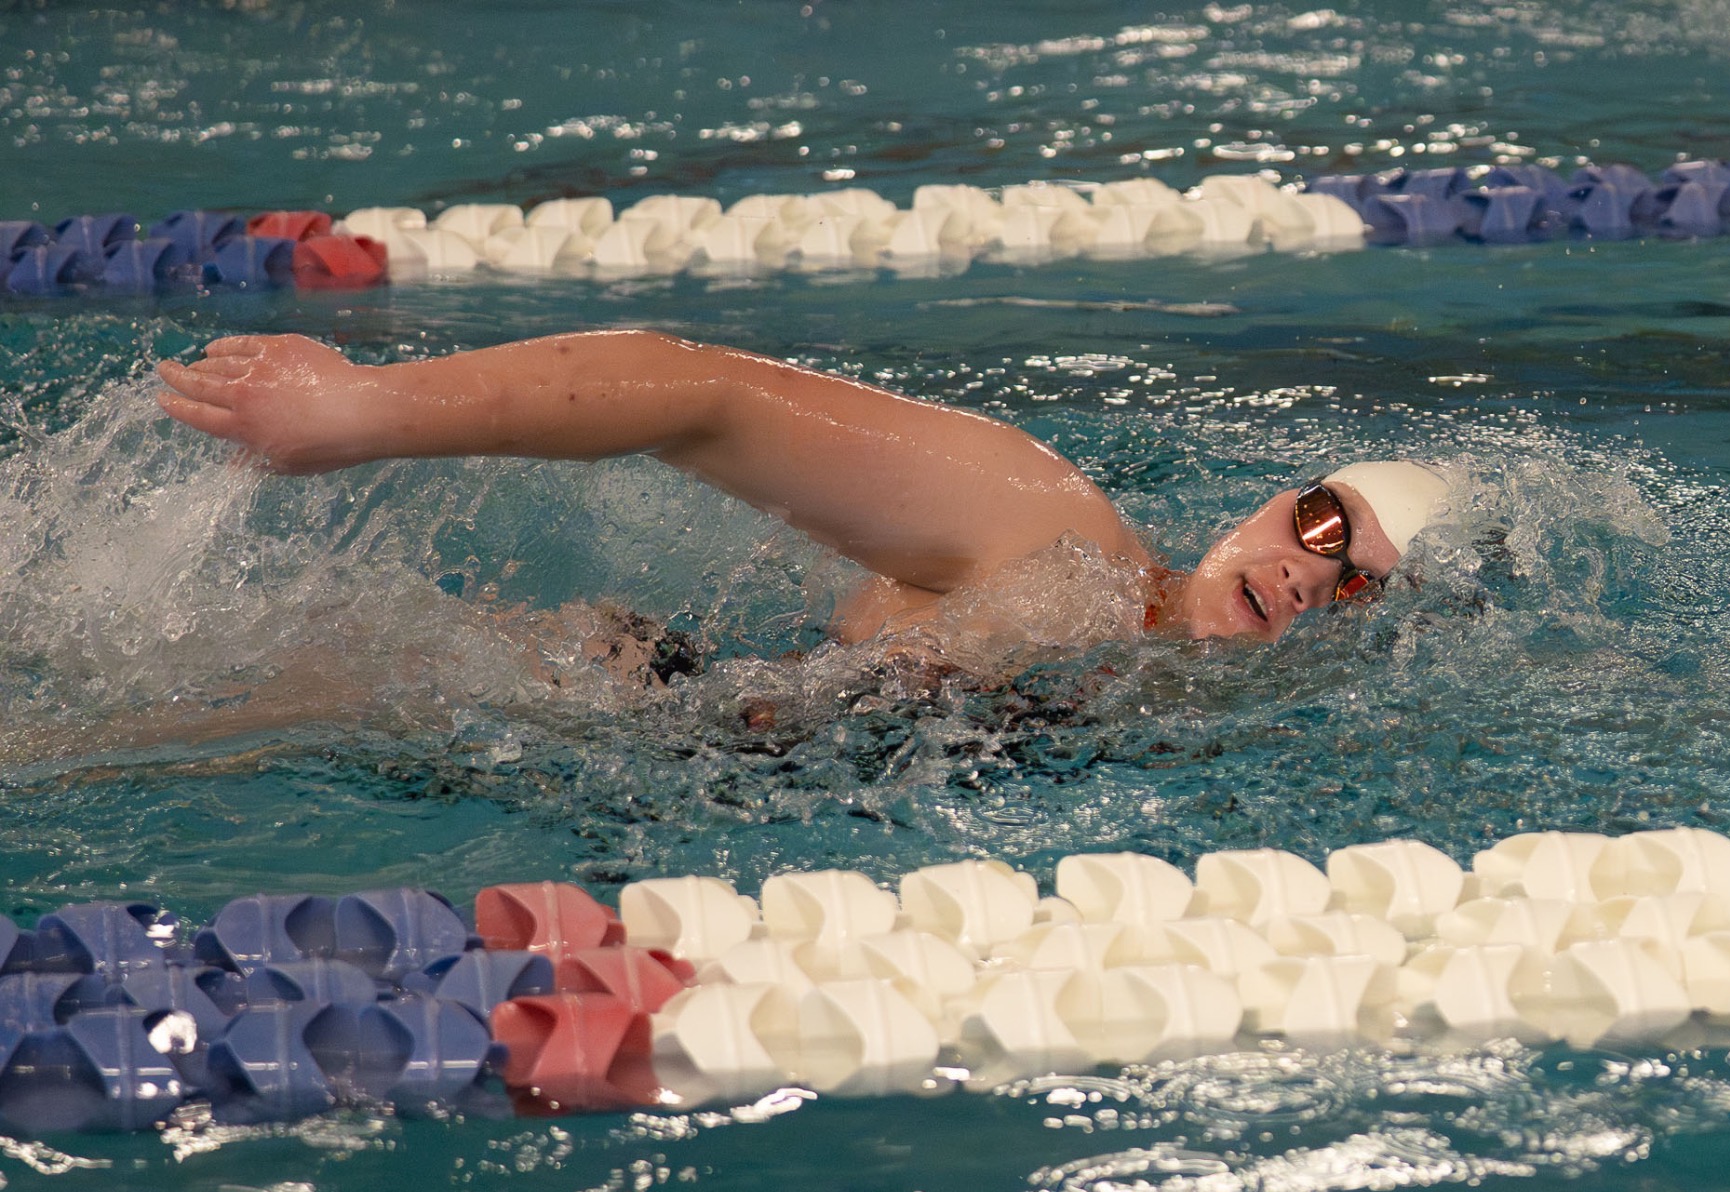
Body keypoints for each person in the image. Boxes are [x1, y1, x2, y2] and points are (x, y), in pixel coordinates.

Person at [155, 330, 1448, 663]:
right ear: (1263, 507)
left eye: (1361, 580)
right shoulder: (1049, 529)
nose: (1312, 572)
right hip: (622, 700)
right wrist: (375, 409)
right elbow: (702, 392)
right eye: (1323, 524)